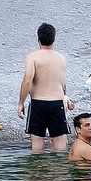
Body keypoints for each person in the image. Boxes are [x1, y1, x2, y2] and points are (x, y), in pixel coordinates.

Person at [17, 23, 74, 153]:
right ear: (54, 39)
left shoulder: (32, 57)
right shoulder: (62, 59)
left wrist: (21, 102)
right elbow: (61, 83)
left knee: (37, 149)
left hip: (39, 104)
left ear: (38, 39)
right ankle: (59, 173)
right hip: (57, 104)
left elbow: (27, 81)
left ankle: (38, 172)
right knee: (60, 149)